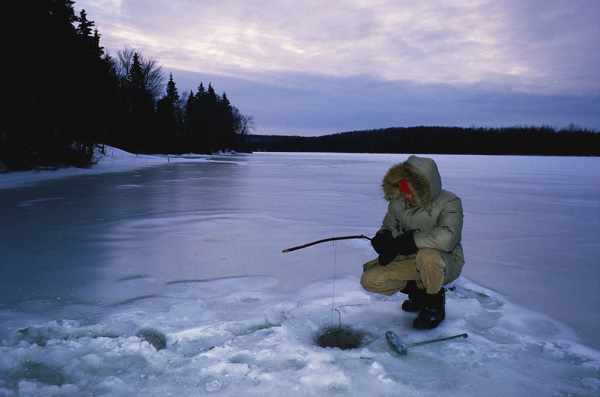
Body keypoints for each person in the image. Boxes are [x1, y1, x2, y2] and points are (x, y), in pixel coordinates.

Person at [360, 155, 464, 329]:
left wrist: (412, 240)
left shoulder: (450, 202)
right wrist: (383, 236)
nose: (406, 196)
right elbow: (388, 226)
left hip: (444, 262)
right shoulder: (397, 203)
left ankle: (434, 304)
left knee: (427, 257)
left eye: (410, 192)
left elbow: (448, 237)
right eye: (404, 190)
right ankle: (418, 294)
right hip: (408, 260)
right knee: (370, 279)